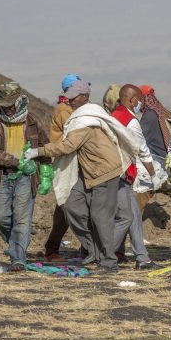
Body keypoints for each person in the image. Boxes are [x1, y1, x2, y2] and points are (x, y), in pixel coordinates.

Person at [25, 81, 140, 273]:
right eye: (68, 96)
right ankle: (93, 249)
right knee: (71, 204)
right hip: (87, 171)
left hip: (103, 172)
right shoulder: (81, 116)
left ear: (85, 97)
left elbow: (66, 146)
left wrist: (38, 151)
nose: (69, 100)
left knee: (100, 216)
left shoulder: (86, 120)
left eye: (73, 97)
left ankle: (109, 261)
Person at [0, 82, 49, 272]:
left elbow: (44, 147)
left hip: (26, 178)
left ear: (20, 101)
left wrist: (46, 171)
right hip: (2, 176)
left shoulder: (33, 122)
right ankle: (15, 245)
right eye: (4, 105)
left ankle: (18, 259)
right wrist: (15, 162)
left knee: (22, 219)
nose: (8, 109)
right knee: (1, 217)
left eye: (11, 105)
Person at [109, 84, 163, 270]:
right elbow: (143, 151)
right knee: (126, 217)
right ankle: (104, 254)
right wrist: (154, 175)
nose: (141, 104)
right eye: (139, 100)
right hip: (120, 175)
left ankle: (142, 258)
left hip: (116, 173)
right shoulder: (131, 122)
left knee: (134, 217)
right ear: (132, 100)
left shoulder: (114, 116)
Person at [43, 74, 81, 261]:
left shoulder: (67, 108)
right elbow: (74, 133)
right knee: (65, 207)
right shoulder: (64, 110)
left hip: (71, 160)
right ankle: (52, 248)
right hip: (64, 162)